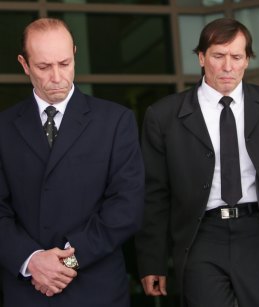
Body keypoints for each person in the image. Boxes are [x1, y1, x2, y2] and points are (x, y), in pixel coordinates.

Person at [135, 17, 259, 307]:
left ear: (246, 61)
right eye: (218, 56)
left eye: (236, 57)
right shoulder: (163, 116)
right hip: (201, 236)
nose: (228, 67)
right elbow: (154, 194)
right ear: (202, 58)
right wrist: (152, 260)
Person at [0, 17, 144, 307]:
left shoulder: (116, 121)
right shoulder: (3, 128)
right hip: (27, 291)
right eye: (43, 66)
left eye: (64, 64)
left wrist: (70, 261)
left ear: (75, 54)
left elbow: (127, 205)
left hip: (97, 290)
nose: (57, 76)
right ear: (24, 64)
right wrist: (32, 261)